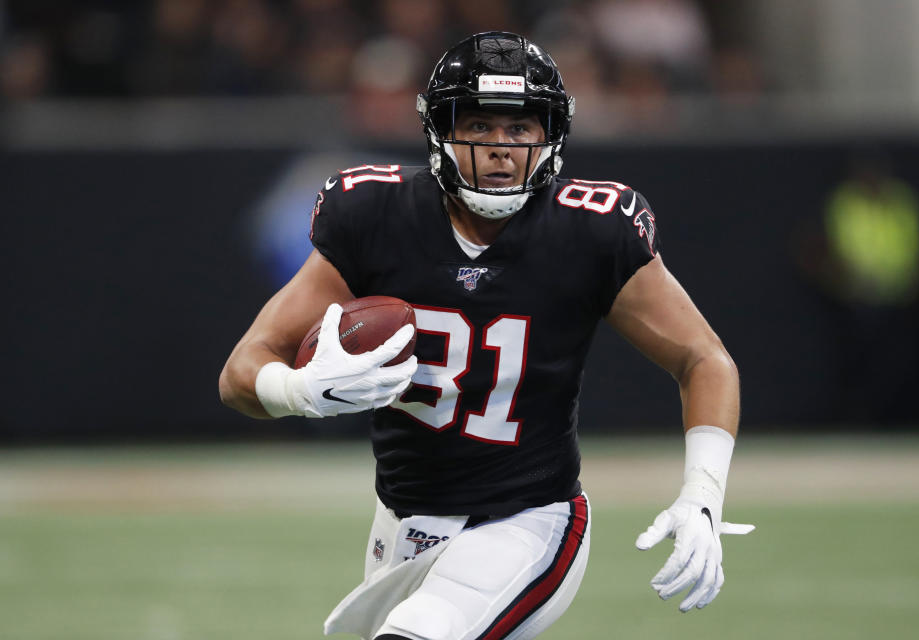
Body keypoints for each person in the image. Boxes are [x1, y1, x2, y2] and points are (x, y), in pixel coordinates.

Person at [220, 31, 752, 640]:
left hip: (526, 520)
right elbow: (240, 372)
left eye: (521, 129)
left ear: (550, 135)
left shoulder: (593, 230)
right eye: (480, 125)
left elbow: (704, 358)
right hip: (400, 519)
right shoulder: (375, 214)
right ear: (439, 130)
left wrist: (703, 494)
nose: (501, 148)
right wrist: (300, 391)